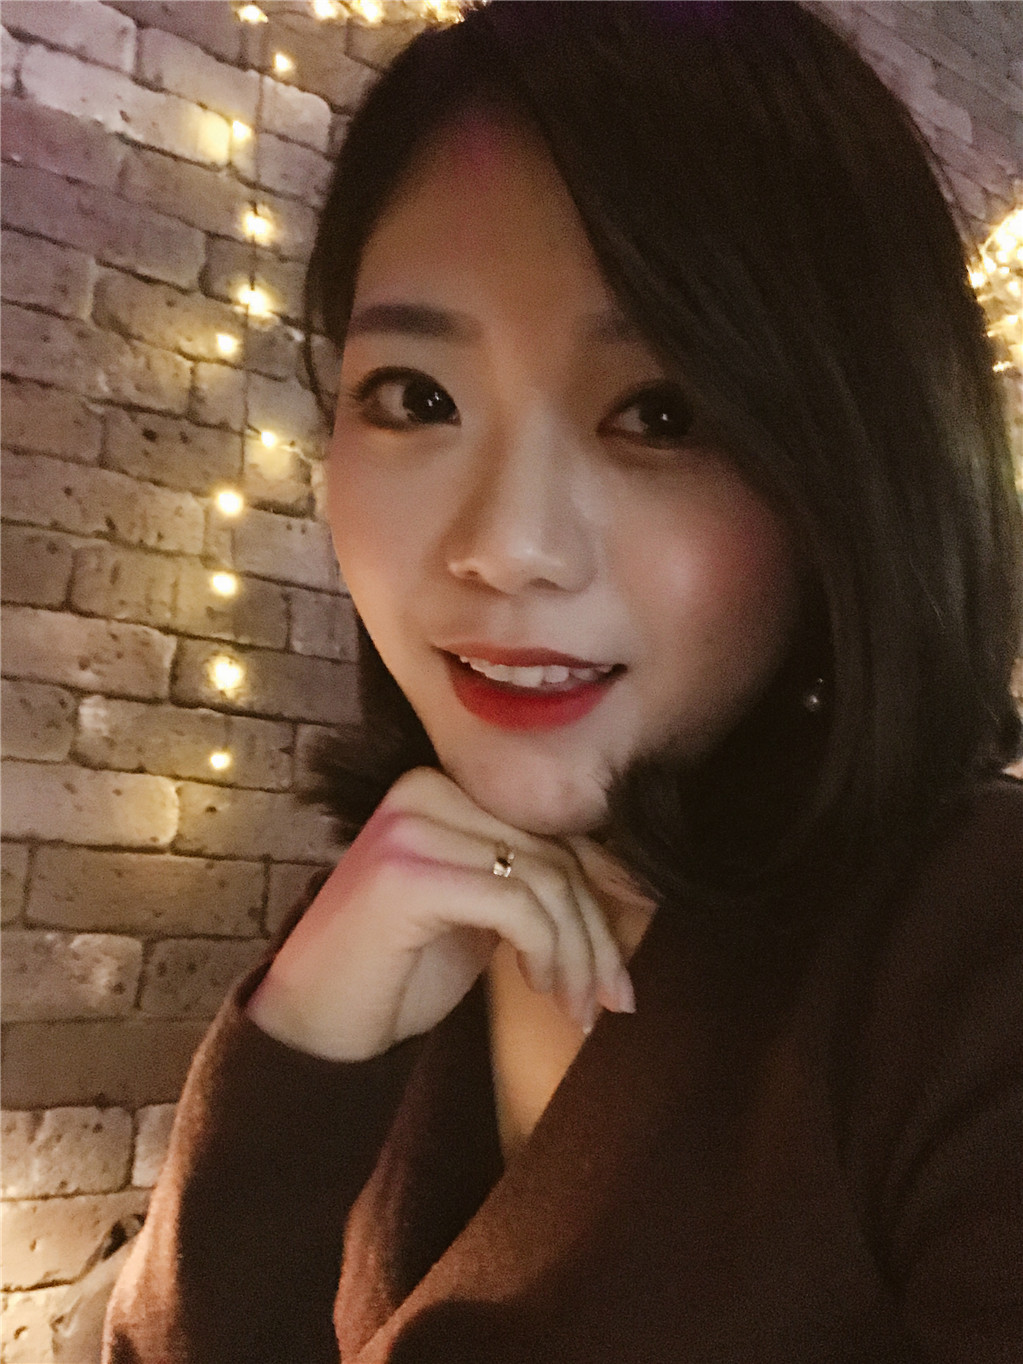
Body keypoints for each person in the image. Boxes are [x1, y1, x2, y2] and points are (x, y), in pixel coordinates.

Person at [103, 3, 1023, 1360]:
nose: (505, 546)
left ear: (856, 460)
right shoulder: (393, 918)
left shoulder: (971, 951)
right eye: (416, 397)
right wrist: (291, 1060)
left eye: (661, 413)